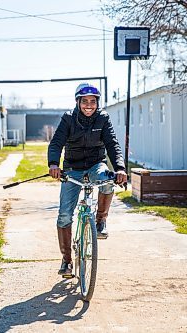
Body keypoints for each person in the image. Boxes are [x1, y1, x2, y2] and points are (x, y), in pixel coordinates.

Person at [48, 83, 128, 276]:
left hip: (95, 165)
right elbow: (56, 143)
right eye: (85, 101)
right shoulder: (68, 119)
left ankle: (101, 220)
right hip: (72, 169)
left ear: (97, 103)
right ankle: (67, 261)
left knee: (108, 181)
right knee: (64, 216)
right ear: (78, 102)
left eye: (93, 101)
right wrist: (53, 164)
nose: (89, 105)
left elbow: (112, 144)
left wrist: (119, 168)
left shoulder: (103, 118)